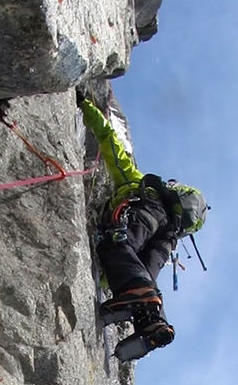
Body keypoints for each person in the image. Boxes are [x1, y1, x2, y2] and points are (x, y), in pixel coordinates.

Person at [77, 89, 207, 362]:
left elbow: (109, 141)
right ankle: (153, 324)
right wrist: (106, 283)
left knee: (118, 244)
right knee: (144, 282)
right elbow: (142, 271)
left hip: (146, 213)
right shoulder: (171, 237)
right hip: (162, 240)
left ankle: (139, 301)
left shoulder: (141, 186)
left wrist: (85, 105)